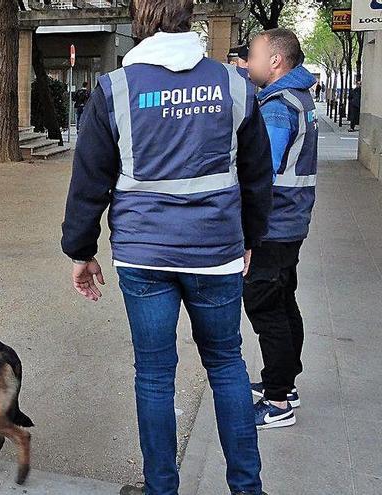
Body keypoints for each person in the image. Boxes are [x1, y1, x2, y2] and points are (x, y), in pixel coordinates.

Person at [61, 0, 273, 492]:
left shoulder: (115, 89)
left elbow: (89, 178)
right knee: (226, 365)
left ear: (141, 18)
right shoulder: (234, 85)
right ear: (188, 16)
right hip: (216, 250)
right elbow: (258, 176)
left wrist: (81, 249)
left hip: (143, 253)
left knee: (155, 376)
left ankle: (162, 487)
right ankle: (247, 487)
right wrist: (250, 239)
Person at [246, 28, 319, 430]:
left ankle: (276, 402)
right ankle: (285, 383)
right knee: (284, 301)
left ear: (276, 60)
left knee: (264, 305)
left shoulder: (276, 106)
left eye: (254, 54)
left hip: (274, 224)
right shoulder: (298, 96)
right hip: (292, 222)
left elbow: (262, 170)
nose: (248, 61)